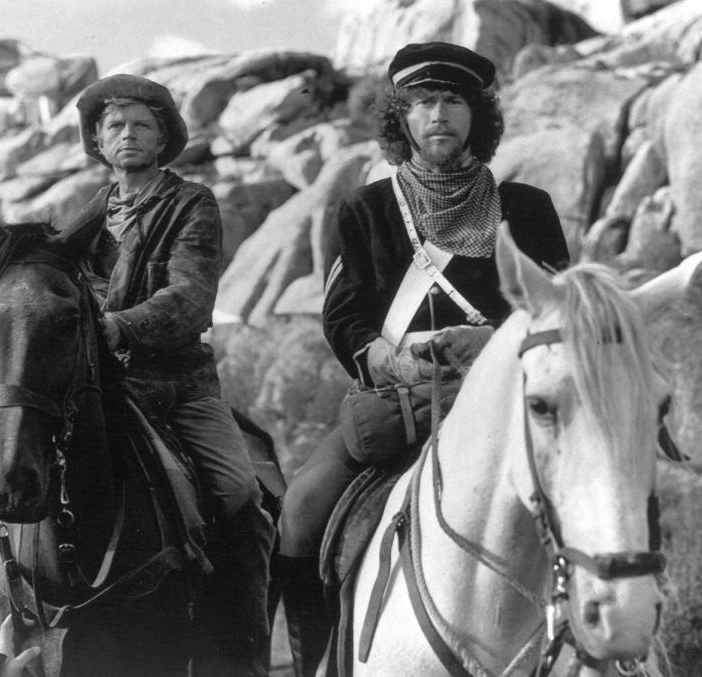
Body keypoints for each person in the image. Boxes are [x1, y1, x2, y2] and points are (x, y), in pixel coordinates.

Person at [276, 42, 570, 676]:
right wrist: (391, 360)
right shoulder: (364, 208)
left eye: (454, 100)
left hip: (506, 403)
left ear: (477, 116)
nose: (439, 114)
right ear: (401, 119)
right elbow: (343, 317)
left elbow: (558, 315)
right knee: (298, 516)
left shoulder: (528, 208)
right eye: (423, 102)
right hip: (395, 405)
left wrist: (490, 341)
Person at [64, 74, 274, 676]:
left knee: (239, 494)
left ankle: (236, 652)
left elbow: (190, 297)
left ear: (163, 139)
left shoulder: (192, 203)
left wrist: (115, 329)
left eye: (142, 125)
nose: (127, 135)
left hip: (178, 384)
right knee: (4, 481)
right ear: (98, 142)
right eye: (114, 127)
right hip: (98, 386)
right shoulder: (80, 219)